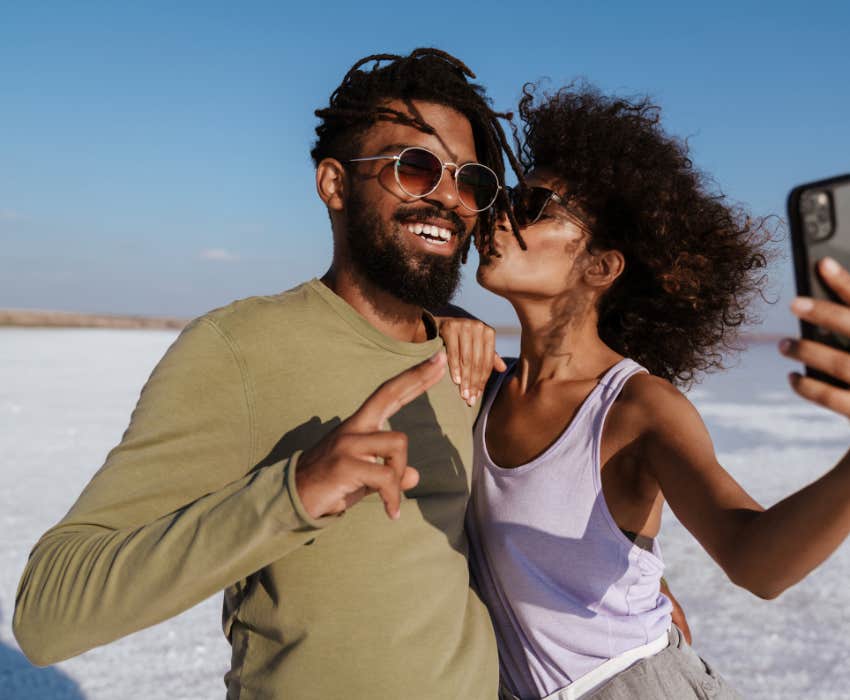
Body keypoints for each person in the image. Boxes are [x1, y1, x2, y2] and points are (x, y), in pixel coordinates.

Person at [13, 48, 523, 699]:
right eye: (415, 166)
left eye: (470, 180)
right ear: (334, 184)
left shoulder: (468, 359)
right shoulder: (240, 349)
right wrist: (293, 494)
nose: (448, 197)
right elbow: (47, 614)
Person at [438, 84, 850, 700]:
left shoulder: (638, 409)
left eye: (535, 205)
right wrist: (441, 319)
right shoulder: (481, 382)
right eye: (506, 199)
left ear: (600, 267)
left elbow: (757, 564)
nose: (500, 215)